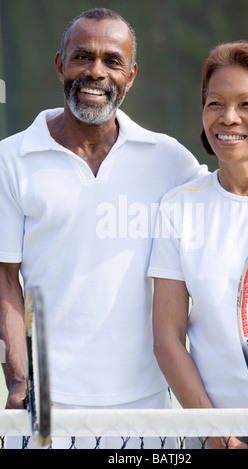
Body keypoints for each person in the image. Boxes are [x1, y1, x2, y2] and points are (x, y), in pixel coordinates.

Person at [0, 8, 208, 449]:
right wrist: (21, 380)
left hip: (148, 411)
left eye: (112, 61)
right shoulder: (9, 159)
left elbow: (229, 212)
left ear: (130, 75)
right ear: (61, 65)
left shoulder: (171, 161)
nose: (96, 71)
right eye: (82, 57)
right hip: (46, 413)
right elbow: (4, 279)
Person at [148, 41, 248, 449]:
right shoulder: (178, 207)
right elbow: (167, 336)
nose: (228, 118)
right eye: (215, 103)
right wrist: (220, 438)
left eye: (246, 104)